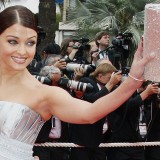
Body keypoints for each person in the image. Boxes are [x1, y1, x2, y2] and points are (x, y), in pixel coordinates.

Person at [0, 5, 154, 160]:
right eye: (13, 41)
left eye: (30, 43)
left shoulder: (43, 93)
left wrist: (132, 81)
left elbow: (90, 113)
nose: (22, 51)